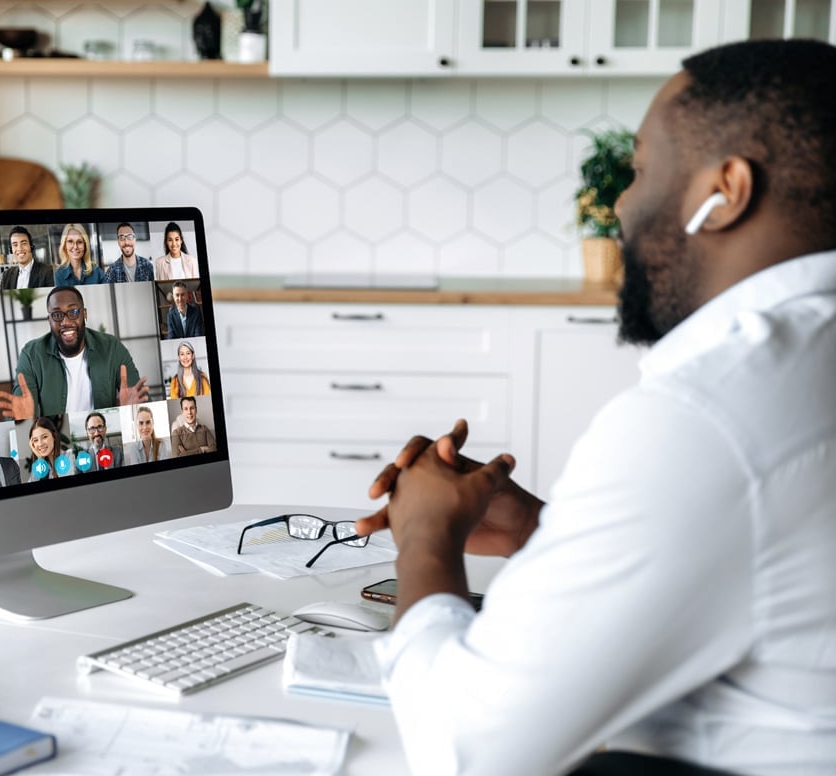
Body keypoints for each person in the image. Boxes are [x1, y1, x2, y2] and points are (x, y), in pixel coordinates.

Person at [355, 39, 836, 776]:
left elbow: (465, 751)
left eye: (641, 171)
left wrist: (425, 537)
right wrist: (541, 531)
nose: (620, 204)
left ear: (726, 190)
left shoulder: (708, 416)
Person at [0, 286, 149, 420]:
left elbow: (140, 401)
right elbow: (19, 410)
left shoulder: (112, 348)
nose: (66, 322)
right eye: (57, 315)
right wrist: (24, 420)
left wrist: (130, 411)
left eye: (74, 312)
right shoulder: (31, 355)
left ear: (84, 314)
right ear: (49, 320)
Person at [0, 225, 54, 289]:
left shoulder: (48, 272)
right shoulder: (6, 275)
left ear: (31, 246)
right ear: (11, 250)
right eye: (15, 245)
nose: (19, 248)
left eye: (24, 243)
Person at [27, 416, 73, 481]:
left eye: (44, 437)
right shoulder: (43, 466)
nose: (40, 444)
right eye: (36, 440)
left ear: (54, 436)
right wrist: (40, 460)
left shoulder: (69, 455)